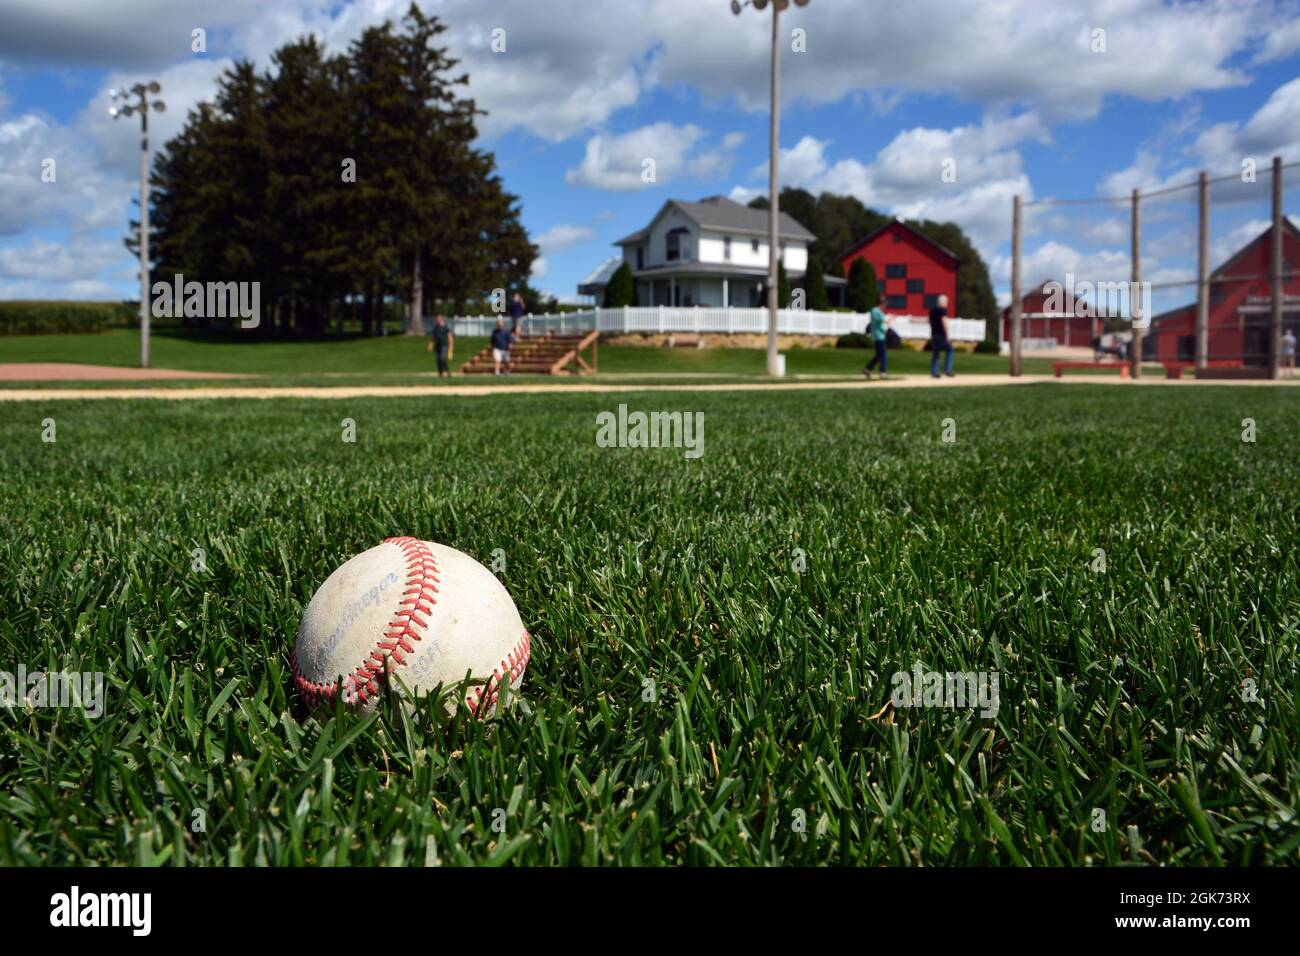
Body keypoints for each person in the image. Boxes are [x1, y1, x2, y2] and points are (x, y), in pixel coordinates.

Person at [863, 293, 891, 380]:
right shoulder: (875, 311)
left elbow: (882, 322)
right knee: (883, 355)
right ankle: (883, 372)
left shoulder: (877, 311)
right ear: (881, 303)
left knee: (879, 355)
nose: (885, 306)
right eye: (884, 303)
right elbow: (881, 321)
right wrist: (888, 319)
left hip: (880, 335)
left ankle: (867, 369)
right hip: (878, 336)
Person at [929, 293, 954, 378]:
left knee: (936, 353)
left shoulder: (932, 310)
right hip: (941, 335)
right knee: (950, 350)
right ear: (943, 302)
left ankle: (934, 372)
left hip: (934, 334)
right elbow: (944, 321)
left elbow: (929, 322)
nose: (947, 304)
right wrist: (948, 335)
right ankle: (947, 370)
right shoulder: (942, 310)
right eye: (946, 302)